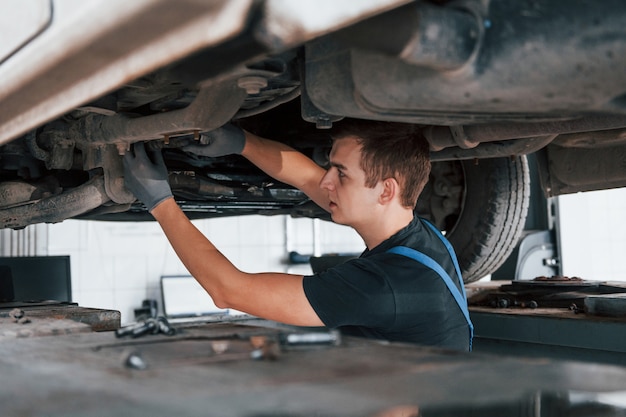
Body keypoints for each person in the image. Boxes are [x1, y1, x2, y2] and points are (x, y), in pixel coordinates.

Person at [123, 119, 472, 351]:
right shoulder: (421, 235)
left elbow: (228, 290)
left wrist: (160, 201)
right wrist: (241, 141)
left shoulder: (382, 288)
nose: (326, 181)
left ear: (385, 191)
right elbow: (308, 179)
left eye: (341, 174)